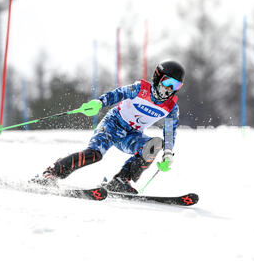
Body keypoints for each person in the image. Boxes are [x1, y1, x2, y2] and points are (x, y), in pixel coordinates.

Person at [32, 59, 185, 194]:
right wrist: (100, 102)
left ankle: (120, 181)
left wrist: (168, 152)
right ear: (158, 78)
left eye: (176, 85)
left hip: (131, 136)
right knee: (94, 154)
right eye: (167, 82)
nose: (169, 89)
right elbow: (117, 94)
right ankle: (52, 172)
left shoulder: (171, 107)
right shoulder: (140, 89)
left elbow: (170, 131)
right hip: (112, 125)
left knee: (154, 145)